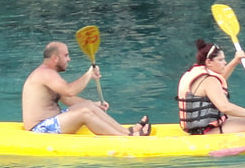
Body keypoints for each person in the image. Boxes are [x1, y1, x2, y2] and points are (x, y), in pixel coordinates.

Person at [21, 41, 149, 135]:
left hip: (53, 119)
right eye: (66, 55)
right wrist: (89, 75)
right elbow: (69, 91)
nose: (69, 59)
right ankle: (126, 138)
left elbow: (66, 99)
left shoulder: (49, 74)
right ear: (55, 58)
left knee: (87, 105)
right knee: (84, 113)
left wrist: (95, 105)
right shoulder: (45, 74)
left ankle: (126, 131)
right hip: (39, 128)